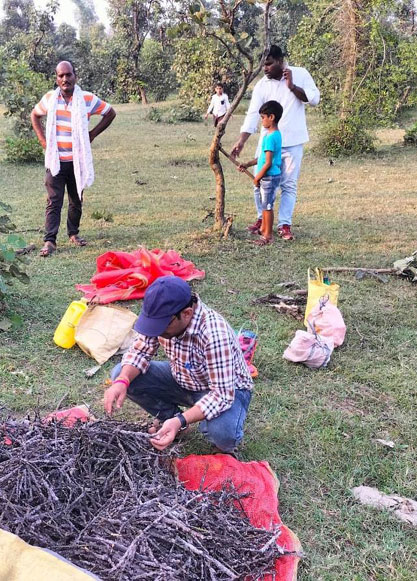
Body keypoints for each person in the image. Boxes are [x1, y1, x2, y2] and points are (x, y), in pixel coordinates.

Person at [104, 276, 253, 453]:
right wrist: (122, 381)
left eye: (162, 326)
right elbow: (140, 351)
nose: (156, 331)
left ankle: (187, 426)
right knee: (121, 373)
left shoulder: (215, 334)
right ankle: (173, 422)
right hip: (184, 378)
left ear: (187, 314)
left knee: (223, 433)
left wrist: (181, 419)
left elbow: (221, 396)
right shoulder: (164, 319)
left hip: (227, 390)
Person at [230, 45, 320, 241]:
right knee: (258, 183)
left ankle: (284, 225)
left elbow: (314, 99)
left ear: (280, 61)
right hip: (267, 142)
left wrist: (293, 87)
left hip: (293, 141)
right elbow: (253, 113)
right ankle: (262, 219)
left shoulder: (300, 73)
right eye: (263, 65)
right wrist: (242, 141)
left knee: (288, 184)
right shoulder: (263, 84)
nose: (265, 69)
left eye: (269, 64)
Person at [31, 61, 116, 258]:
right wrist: (43, 141)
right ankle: (50, 240)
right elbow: (34, 115)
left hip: (77, 160)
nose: (65, 79)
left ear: (75, 76)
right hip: (56, 160)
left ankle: (73, 234)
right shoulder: (50, 99)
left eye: (68, 75)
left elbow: (110, 113)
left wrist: (92, 134)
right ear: (56, 78)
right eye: (60, 76)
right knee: (54, 200)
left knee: (76, 198)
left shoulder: (86, 99)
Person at [238, 100, 283, 246]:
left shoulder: (270, 137)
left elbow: (268, 163)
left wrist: (257, 177)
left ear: (272, 117)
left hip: (269, 177)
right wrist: (247, 164)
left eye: (263, 117)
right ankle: (264, 228)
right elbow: (262, 159)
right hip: (269, 175)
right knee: (265, 204)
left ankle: (268, 236)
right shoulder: (273, 134)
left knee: (267, 206)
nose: (261, 120)